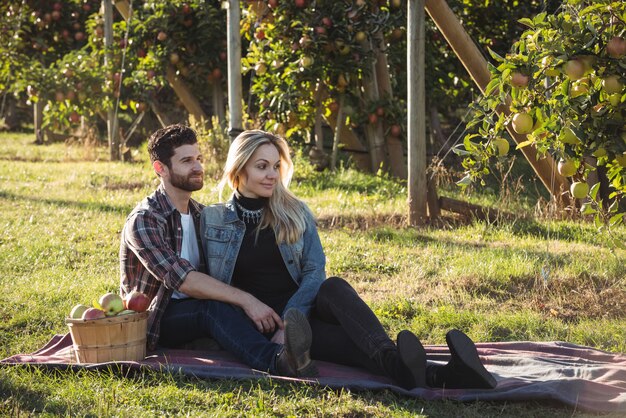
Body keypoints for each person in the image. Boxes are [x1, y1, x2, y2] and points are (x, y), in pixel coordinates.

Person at [200, 129, 497, 389]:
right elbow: (208, 282)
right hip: (259, 326)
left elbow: (315, 270)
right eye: (262, 166)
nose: (272, 175)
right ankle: (449, 377)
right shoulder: (212, 219)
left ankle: (410, 366)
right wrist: (274, 327)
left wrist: (291, 323)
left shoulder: (294, 211)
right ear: (239, 170)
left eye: (276, 166)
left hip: (303, 314)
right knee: (357, 346)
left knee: (334, 286)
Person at [119, 124, 317, 377]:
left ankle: (295, 345)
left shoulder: (203, 214)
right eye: (187, 161)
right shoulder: (145, 220)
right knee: (211, 309)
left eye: (199, 159)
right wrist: (248, 301)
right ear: (161, 168)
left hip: (209, 308)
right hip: (159, 318)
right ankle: (277, 361)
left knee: (223, 308)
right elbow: (184, 280)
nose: (198, 167)